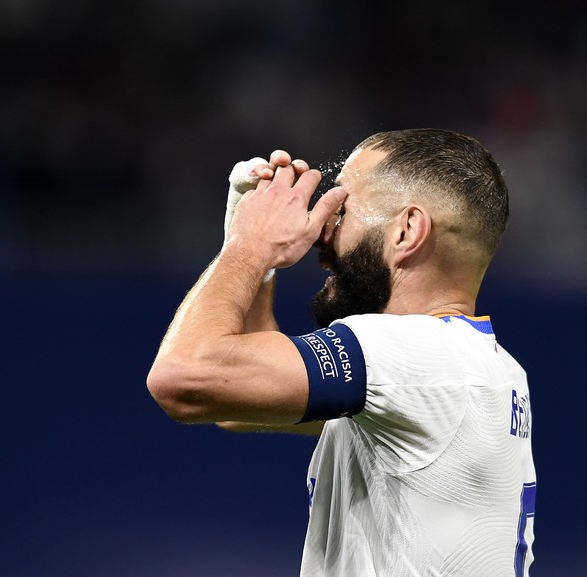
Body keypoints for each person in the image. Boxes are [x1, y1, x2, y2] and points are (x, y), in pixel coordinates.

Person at [146, 129, 536, 577]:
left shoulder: (414, 355)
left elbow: (183, 377)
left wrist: (250, 246)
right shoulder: (474, 367)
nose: (321, 231)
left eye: (342, 208)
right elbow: (237, 399)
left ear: (407, 231)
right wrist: (255, 249)